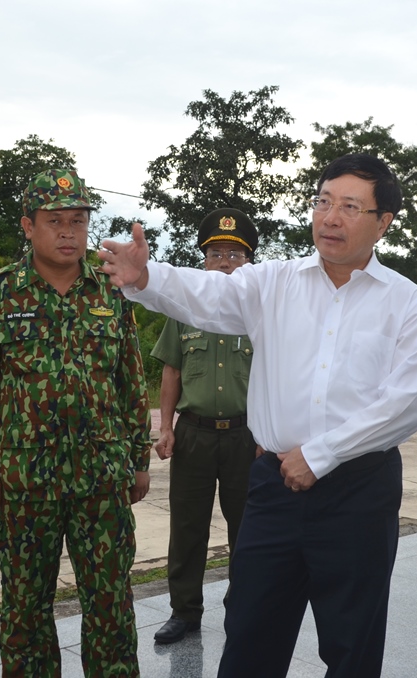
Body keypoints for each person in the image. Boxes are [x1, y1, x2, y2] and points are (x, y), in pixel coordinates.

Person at [100, 153, 417, 678]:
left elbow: (403, 406)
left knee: (353, 643)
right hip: (275, 487)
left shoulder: (408, 303)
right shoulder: (274, 282)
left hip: (359, 493)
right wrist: (146, 276)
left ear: (383, 222)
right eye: (323, 202)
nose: (330, 218)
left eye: (350, 207)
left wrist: (321, 455)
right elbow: (209, 294)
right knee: (251, 635)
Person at [0, 168, 151, 677]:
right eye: (55, 221)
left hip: (101, 479)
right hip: (26, 482)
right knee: (25, 610)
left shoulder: (112, 291)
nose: (69, 232)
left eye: (78, 221)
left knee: (111, 605)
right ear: (28, 226)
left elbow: (131, 381)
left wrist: (139, 459)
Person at [150, 208, 259, 645]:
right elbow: (171, 372)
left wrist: (271, 437)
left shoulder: (260, 311)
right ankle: (184, 612)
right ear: (204, 260)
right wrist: (166, 427)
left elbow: (277, 375)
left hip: (247, 437)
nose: (224, 263)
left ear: (248, 262)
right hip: (193, 434)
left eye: (234, 255)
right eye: (216, 254)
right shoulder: (185, 309)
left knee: (247, 530)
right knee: (187, 528)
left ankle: (243, 608)